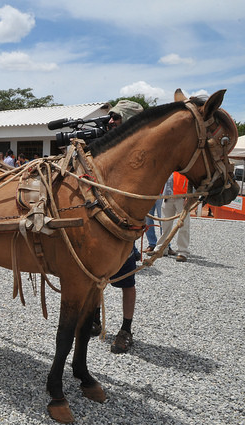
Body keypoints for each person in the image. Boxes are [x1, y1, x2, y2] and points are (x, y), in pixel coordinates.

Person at [91, 99, 145, 354]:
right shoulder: (106, 145)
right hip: (97, 222)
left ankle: (126, 329)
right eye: (111, 117)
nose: (110, 121)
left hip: (121, 227)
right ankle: (92, 318)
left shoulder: (138, 154)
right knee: (93, 276)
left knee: (126, 280)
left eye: (117, 118)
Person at [150, 172, 190, 262]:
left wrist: (190, 195)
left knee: (184, 226)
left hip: (183, 197)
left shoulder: (187, 164)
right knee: (165, 224)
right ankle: (161, 248)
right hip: (168, 196)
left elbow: (194, 179)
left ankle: (183, 252)